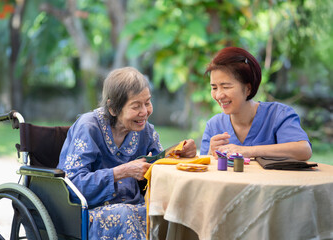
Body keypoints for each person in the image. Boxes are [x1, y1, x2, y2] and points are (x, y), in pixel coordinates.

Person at [57, 67, 197, 239]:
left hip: (134, 205)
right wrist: (121, 172)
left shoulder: (146, 132)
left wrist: (177, 155)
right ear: (113, 108)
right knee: (125, 215)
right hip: (87, 213)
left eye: (147, 103)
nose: (145, 112)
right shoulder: (88, 127)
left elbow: (158, 168)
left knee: (176, 215)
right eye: (136, 106)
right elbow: (71, 185)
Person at [200, 46, 312, 161]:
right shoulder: (214, 125)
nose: (218, 95)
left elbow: (304, 150)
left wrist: (249, 151)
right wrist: (210, 153)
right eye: (214, 88)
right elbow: (203, 169)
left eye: (226, 87)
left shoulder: (278, 115)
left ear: (248, 88)